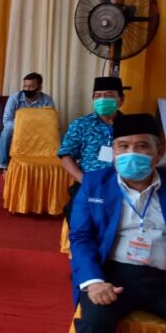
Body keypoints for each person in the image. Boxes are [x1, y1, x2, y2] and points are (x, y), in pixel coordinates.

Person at [69, 113, 166, 333]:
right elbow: (81, 237)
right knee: (93, 324)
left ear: (159, 152)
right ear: (113, 152)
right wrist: (93, 282)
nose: (131, 153)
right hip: (113, 276)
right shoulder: (95, 184)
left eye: (142, 146)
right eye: (123, 146)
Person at [60, 77, 126, 223]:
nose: (102, 100)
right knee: (78, 216)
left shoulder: (131, 126)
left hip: (123, 184)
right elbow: (65, 155)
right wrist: (85, 181)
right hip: (88, 182)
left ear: (121, 99)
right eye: (97, 96)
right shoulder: (81, 124)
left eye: (108, 95)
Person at [0, 72, 55, 169]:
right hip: (18, 130)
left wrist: (34, 129)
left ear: (39, 88)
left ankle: (54, 166)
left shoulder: (47, 100)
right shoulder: (14, 98)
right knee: (6, 133)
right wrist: (23, 128)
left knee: (59, 135)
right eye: (25, 86)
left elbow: (51, 122)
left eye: (31, 87)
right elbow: (7, 121)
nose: (27, 89)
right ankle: (4, 166)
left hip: (39, 131)